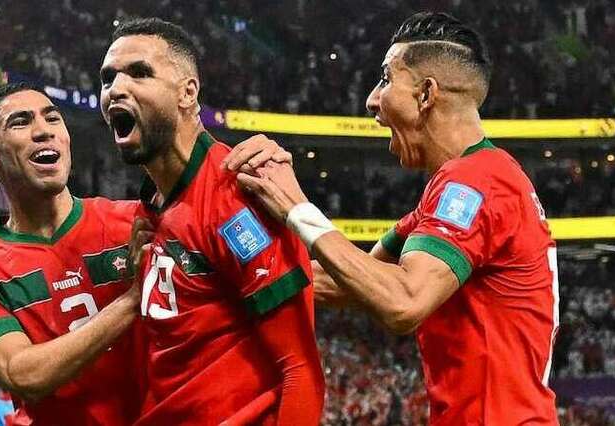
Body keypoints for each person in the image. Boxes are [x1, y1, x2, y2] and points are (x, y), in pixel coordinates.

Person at [228, 12, 559, 425]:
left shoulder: (476, 181)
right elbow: (351, 279)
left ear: (426, 94)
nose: (371, 99)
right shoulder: (465, 186)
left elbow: (403, 302)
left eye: (385, 79)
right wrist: (234, 260)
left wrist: (297, 208)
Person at [99, 17, 324, 424]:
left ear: (188, 93)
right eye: (107, 77)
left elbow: (300, 370)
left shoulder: (237, 193)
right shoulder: (149, 206)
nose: (116, 89)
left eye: (139, 72)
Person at [0, 83, 146, 424]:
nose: (43, 131)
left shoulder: (134, 221)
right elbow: (24, 376)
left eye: (53, 118)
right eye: (20, 122)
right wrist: (132, 300)